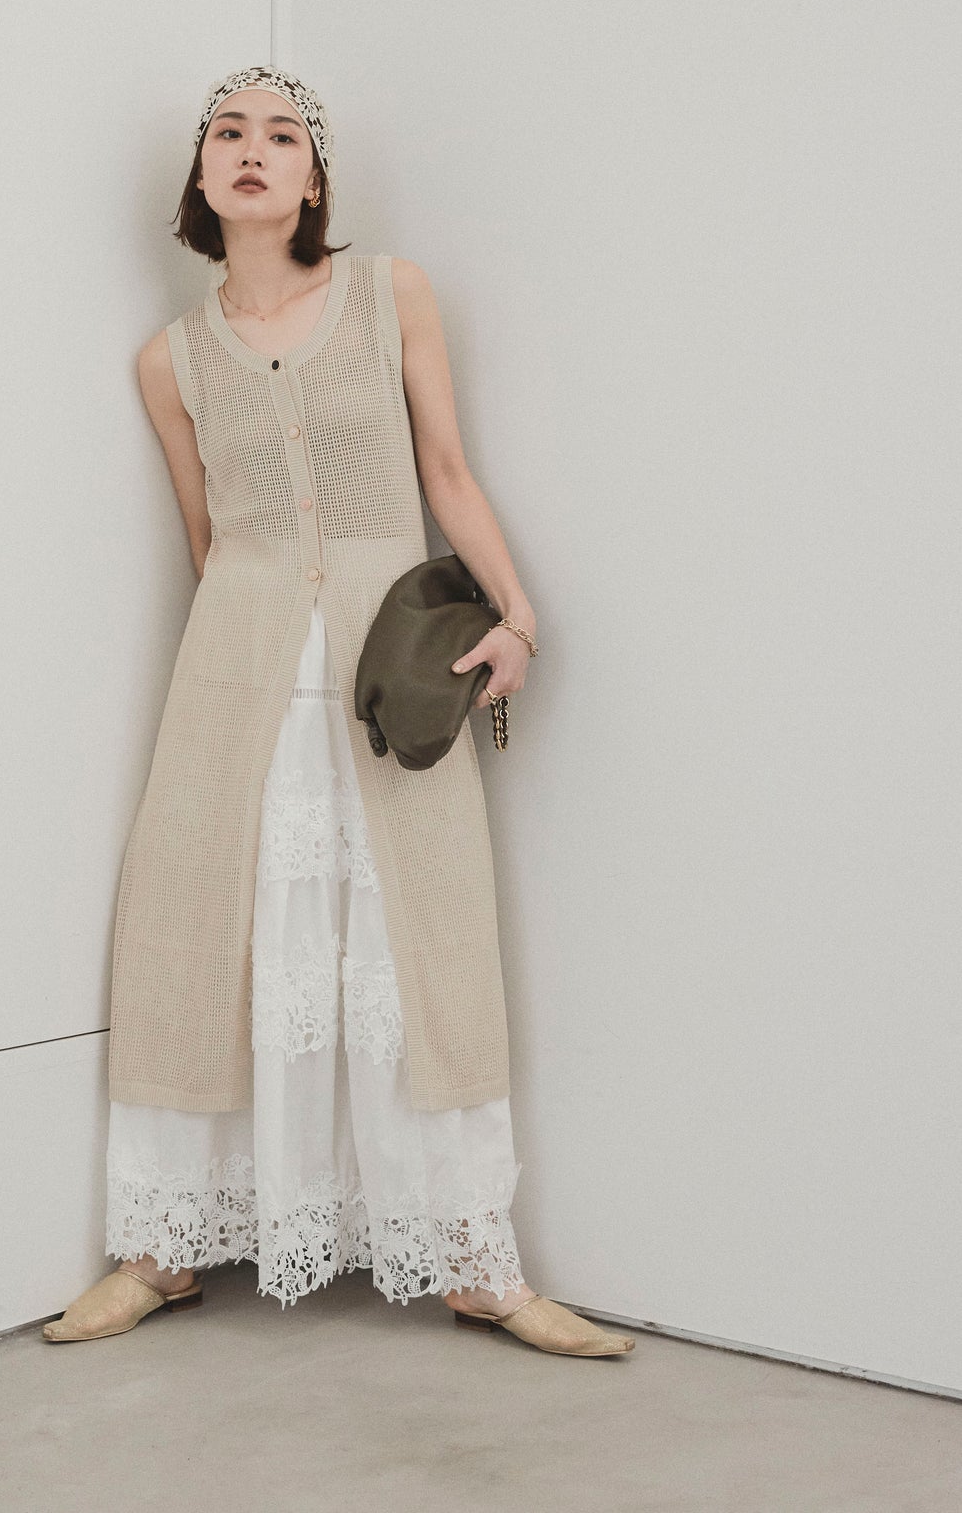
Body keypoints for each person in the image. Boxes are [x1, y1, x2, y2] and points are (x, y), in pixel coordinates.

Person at [44, 67, 633, 1358]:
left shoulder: (389, 294)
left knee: (417, 941)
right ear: (200, 177)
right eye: (228, 133)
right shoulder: (168, 362)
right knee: (203, 928)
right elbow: (208, 543)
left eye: (282, 135)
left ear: (314, 179)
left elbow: (445, 473)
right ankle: (161, 1247)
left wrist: (517, 615)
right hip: (237, 669)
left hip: (387, 663)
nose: (252, 150)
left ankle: (473, 1260)